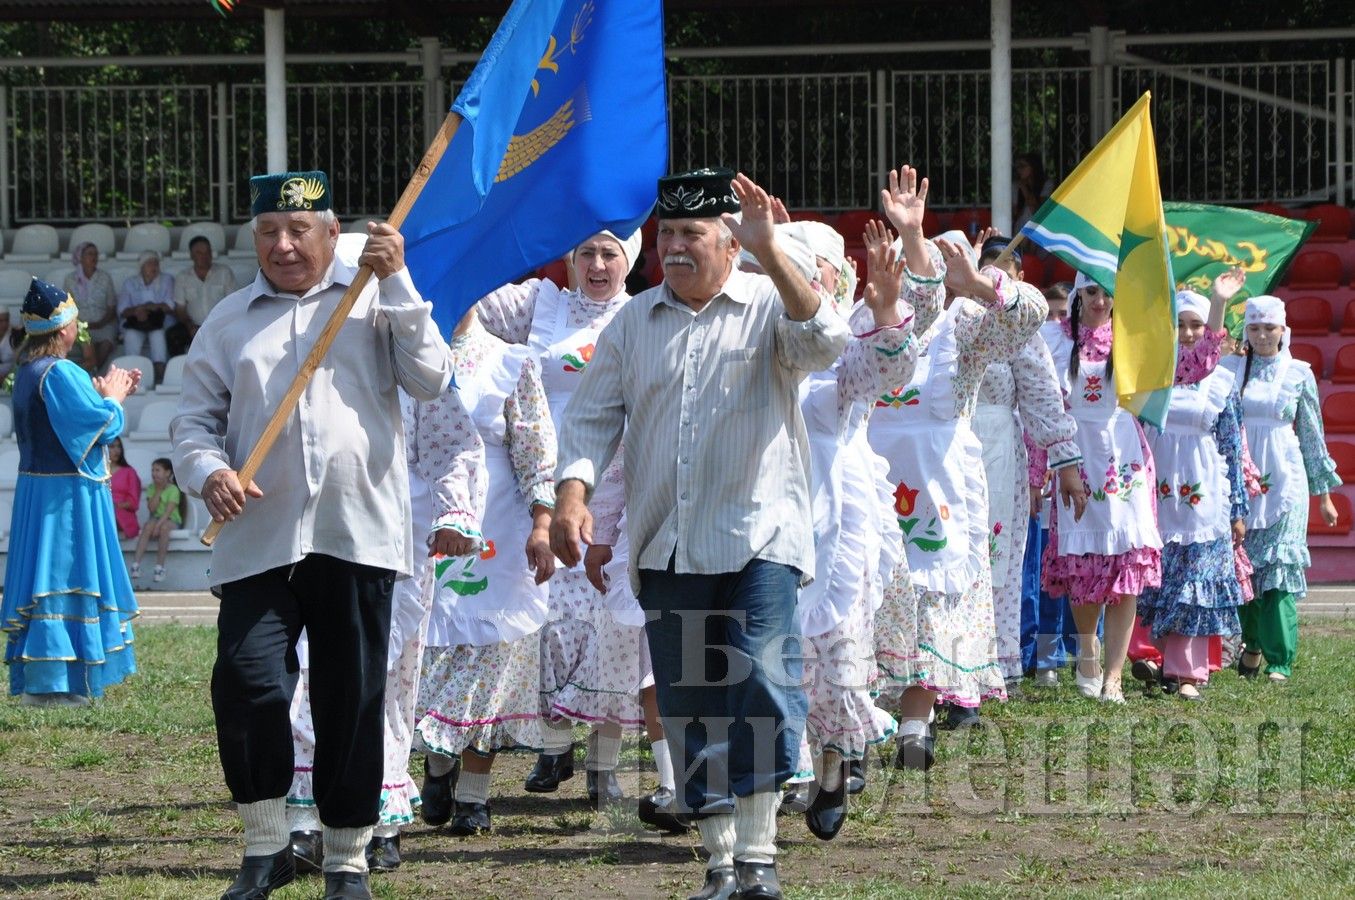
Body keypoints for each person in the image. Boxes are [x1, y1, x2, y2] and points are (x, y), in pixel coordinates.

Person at [552, 168, 852, 900]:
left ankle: (757, 858)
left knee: (759, 679)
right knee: (689, 702)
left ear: (729, 242)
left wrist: (773, 253)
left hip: (761, 536)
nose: (676, 248)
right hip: (667, 544)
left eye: (694, 235)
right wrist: (570, 495)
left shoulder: (767, 306)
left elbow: (824, 343)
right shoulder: (632, 321)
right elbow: (591, 417)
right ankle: (722, 863)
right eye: (668, 235)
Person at [170, 169, 452, 900]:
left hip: (355, 533)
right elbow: (192, 420)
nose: (284, 245)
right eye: (269, 232)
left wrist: (399, 285)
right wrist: (208, 471)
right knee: (247, 680)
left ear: (334, 236)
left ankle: (347, 858)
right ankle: (264, 847)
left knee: (350, 696)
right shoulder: (230, 320)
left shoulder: (376, 306)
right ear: (254, 238)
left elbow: (431, 380)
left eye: (300, 231)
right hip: (257, 537)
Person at [867, 171, 1046, 766]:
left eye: (945, 266)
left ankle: (917, 720)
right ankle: (860, 718)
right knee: (866, 592)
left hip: (941, 486)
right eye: (923, 263)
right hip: (870, 478)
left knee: (932, 594)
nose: (930, 278)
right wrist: (909, 238)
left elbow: (1029, 317)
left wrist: (980, 286)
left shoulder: (965, 328)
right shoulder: (871, 316)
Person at [474, 229, 655, 808]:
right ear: (570, 258)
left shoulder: (648, 314)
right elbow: (468, 297)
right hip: (543, 492)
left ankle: (605, 769)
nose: (597, 264)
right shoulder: (540, 305)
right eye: (586, 253)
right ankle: (554, 743)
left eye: (610, 253)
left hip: (619, 491)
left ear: (630, 259)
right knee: (546, 625)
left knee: (613, 634)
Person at [288, 377, 486, 872]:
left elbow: (453, 444)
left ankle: (380, 822)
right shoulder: (299, 342)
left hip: (396, 535)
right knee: (305, 670)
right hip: (310, 529)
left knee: (383, 676)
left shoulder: (410, 351)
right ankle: (305, 819)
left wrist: (454, 511)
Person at [414, 305, 557, 837]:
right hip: (422, 517)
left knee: (494, 656)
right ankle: (435, 763)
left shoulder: (510, 362)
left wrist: (542, 526)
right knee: (426, 649)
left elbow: (536, 452)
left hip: (497, 524)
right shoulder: (397, 354)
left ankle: (474, 795)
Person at [794, 219, 915, 841]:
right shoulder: (754, 332)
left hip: (839, 509)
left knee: (836, 646)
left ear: (835, 279)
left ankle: (834, 766)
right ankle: (770, 773)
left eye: (810, 267)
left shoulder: (851, 332)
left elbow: (887, 374)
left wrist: (889, 308)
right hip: (761, 507)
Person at [1, 277, 140, 706]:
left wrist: (99, 397)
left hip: (38, 491)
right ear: (65, 330)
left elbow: (77, 419)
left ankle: (49, 676)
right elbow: (103, 426)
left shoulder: (27, 371)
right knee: (64, 575)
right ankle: (57, 683)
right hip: (64, 499)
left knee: (46, 577)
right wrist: (113, 398)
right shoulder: (60, 372)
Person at [1040, 272, 1162, 704]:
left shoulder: (1132, 338)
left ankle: (1114, 677)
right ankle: (1087, 651)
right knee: (1083, 566)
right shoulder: (1052, 338)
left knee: (1125, 571)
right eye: (1091, 292)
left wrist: (1217, 307)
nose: (1100, 301)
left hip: (1123, 459)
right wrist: (1044, 466)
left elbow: (1185, 366)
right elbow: (1041, 404)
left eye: (1108, 293)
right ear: (1076, 295)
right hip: (1075, 457)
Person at [972, 237, 1083, 696]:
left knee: (995, 554)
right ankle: (938, 665)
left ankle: (993, 664)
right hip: (938, 451)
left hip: (997, 449)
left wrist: (1066, 462)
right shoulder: (945, 320)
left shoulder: (1020, 330)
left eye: (1005, 271)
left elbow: (1042, 398)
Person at [1134, 287, 1249, 701]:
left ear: (1209, 330)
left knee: (1194, 582)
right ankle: (1153, 655)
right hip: (1157, 489)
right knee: (1157, 579)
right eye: (1180, 325)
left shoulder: (1222, 381)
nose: (1187, 333)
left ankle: (1188, 673)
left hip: (1204, 493)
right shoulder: (1154, 374)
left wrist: (1238, 508)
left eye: (1196, 325)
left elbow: (1234, 447)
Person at [1223, 296, 1340, 683]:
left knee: (1277, 572)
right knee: (1245, 572)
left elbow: (1311, 433)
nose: (1261, 335)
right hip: (1239, 482)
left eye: (1268, 328)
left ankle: (1280, 660)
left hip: (1286, 482)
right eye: (1254, 328)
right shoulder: (1231, 369)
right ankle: (1252, 643)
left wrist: (1323, 494)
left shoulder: (1299, 373)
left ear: (1282, 330)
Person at [170, 236, 238, 354]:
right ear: (191, 255)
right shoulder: (183, 277)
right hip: (192, 326)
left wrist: (219, 324)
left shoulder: (224, 272)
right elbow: (180, 310)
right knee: (173, 335)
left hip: (220, 324)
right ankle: (179, 368)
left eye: (207, 252)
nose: (204, 256)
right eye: (199, 252)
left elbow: (233, 303)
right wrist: (190, 326)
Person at [117, 250, 175, 382]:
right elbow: (122, 310)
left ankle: (160, 377)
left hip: (159, 323)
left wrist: (147, 308)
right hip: (137, 323)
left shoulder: (166, 280)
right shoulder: (130, 283)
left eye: (156, 263)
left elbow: (170, 305)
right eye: (149, 264)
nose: (154, 267)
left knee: (157, 335)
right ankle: (132, 378)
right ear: (141, 266)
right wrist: (137, 312)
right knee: (131, 335)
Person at [63, 242, 119, 371]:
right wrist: (78, 324)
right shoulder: (70, 279)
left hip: (103, 323)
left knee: (107, 340)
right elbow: (67, 307)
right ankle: (89, 371)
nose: (94, 257)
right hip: (79, 325)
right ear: (80, 257)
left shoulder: (105, 277)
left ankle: (91, 370)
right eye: (90, 254)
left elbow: (111, 306)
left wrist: (100, 323)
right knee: (83, 339)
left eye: (96, 254)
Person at [128, 457, 183, 587]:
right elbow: (151, 509)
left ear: (168, 473)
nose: (154, 473)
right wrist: (158, 491)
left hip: (171, 520)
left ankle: (160, 568)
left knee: (164, 528)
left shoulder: (174, 489)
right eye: (152, 470)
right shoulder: (152, 488)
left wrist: (158, 526)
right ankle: (136, 565)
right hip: (155, 519)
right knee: (147, 526)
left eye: (157, 470)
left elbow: (168, 513)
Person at [108, 436, 142, 540]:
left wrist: (114, 505)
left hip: (122, 516)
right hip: (103, 512)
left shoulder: (129, 472)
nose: (116, 450)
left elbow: (133, 502)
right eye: (112, 446)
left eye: (119, 447)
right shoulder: (98, 473)